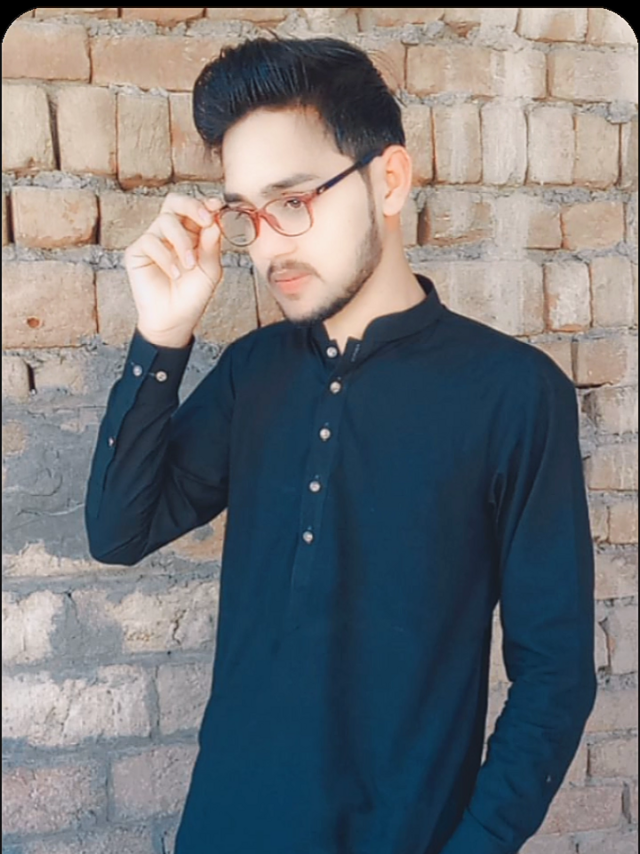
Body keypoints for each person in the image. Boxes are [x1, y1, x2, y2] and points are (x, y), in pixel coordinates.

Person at [85, 35, 597, 854]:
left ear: (388, 180)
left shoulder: (513, 391)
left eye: (292, 200)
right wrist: (162, 333)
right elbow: (118, 531)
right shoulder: (254, 371)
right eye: (248, 214)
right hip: (222, 828)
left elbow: (556, 675)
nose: (270, 246)